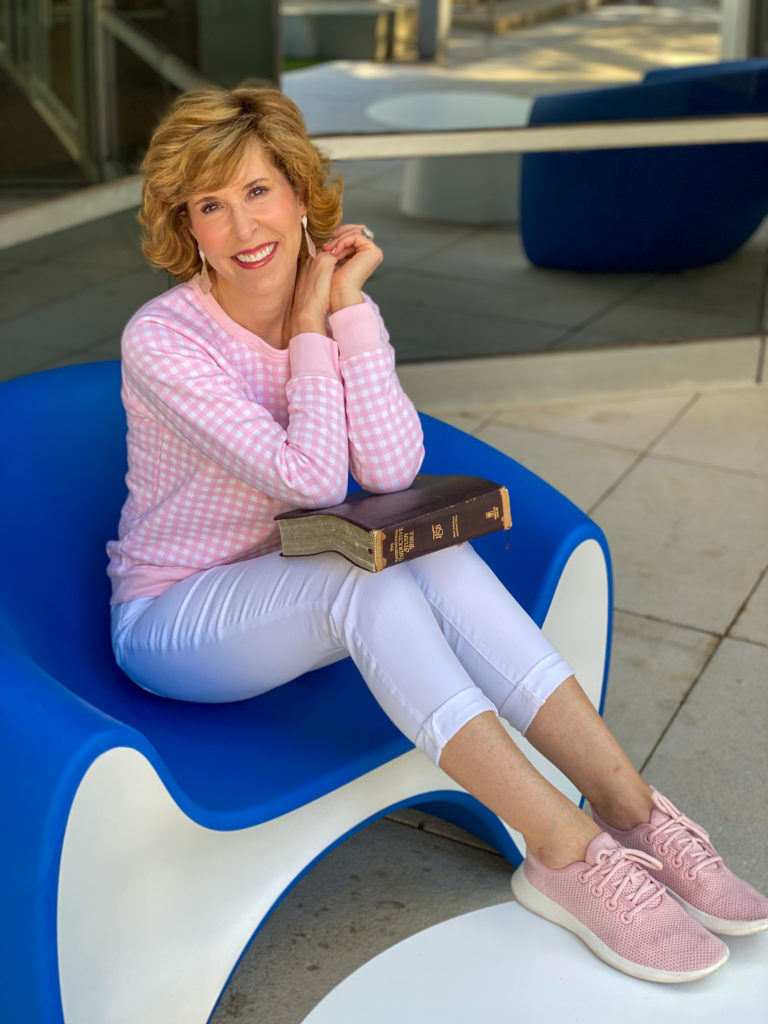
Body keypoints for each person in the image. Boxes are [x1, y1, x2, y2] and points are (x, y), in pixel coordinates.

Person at [107, 86, 768, 985]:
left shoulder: (328, 304)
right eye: (209, 206)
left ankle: (630, 805)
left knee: (431, 547)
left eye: (257, 191)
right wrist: (308, 327)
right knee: (365, 580)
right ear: (186, 224)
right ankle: (567, 854)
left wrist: (348, 312)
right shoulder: (165, 339)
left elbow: (386, 472)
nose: (239, 227)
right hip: (176, 616)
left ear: (301, 193)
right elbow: (309, 480)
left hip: (289, 582)